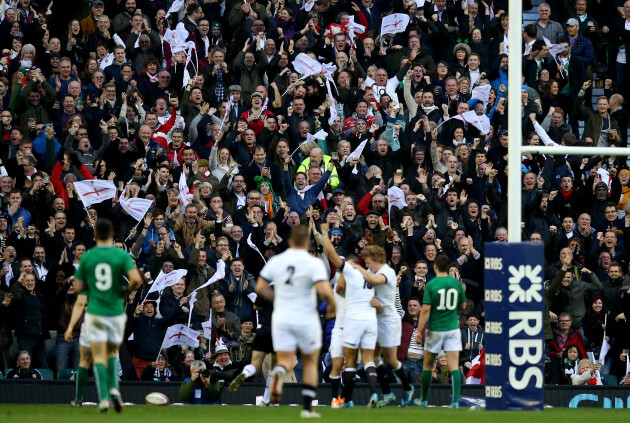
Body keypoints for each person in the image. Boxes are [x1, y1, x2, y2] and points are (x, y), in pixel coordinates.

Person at [255, 225, 336, 418]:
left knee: (283, 360)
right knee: (309, 362)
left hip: (282, 318)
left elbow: (260, 287)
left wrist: (277, 298)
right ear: (308, 243)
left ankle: (277, 375)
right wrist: (334, 304)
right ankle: (307, 409)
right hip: (306, 318)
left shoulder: (277, 261)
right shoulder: (313, 263)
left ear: (290, 241)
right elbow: (324, 291)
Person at [65, 219, 142, 413]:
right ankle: (114, 388)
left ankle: (102, 397)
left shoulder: (88, 258)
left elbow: (81, 296)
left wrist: (70, 325)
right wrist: (124, 292)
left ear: (95, 235)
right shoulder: (120, 255)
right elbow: (136, 280)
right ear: (112, 234)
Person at [321, 223, 384, 408]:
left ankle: (341, 399)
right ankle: (347, 398)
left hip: (347, 328)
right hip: (355, 327)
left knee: (343, 365)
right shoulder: (367, 281)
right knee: (355, 364)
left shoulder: (350, 280)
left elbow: (330, 311)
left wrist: (324, 232)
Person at [351, 239, 415, 408]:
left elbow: (373, 280)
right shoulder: (373, 271)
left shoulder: (388, 272)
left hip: (389, 321)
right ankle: (387, 393)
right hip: (376, 319)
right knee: (373, 358)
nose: (367, 265)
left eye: (368, 262)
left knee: (392, 361)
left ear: (376, 259)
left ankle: (408, 388)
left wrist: (356, 268)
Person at [413, 255, 467, 408]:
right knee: (454, 366)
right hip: (452, 328)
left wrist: (419, 331)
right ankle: (455, 401)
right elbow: (463, 306)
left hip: (435, 328)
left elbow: (425, 310)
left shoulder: (431, 284)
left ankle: (424, 400)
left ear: (435, 267)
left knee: (428, 366)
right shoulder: (456, 284)